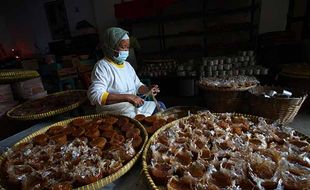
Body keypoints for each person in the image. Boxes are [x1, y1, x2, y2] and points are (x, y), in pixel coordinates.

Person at [87, 27, 163, 118]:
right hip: (115, 111)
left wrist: (147, 90)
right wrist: (128, 97)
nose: (126, 51)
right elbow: (95, 95)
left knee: (161, 106)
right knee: (154, 118)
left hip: (130, 107)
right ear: (110, 47)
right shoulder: (102, 66)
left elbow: (137, 85)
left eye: (128, 47)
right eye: (123, 47)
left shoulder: (127, 65)